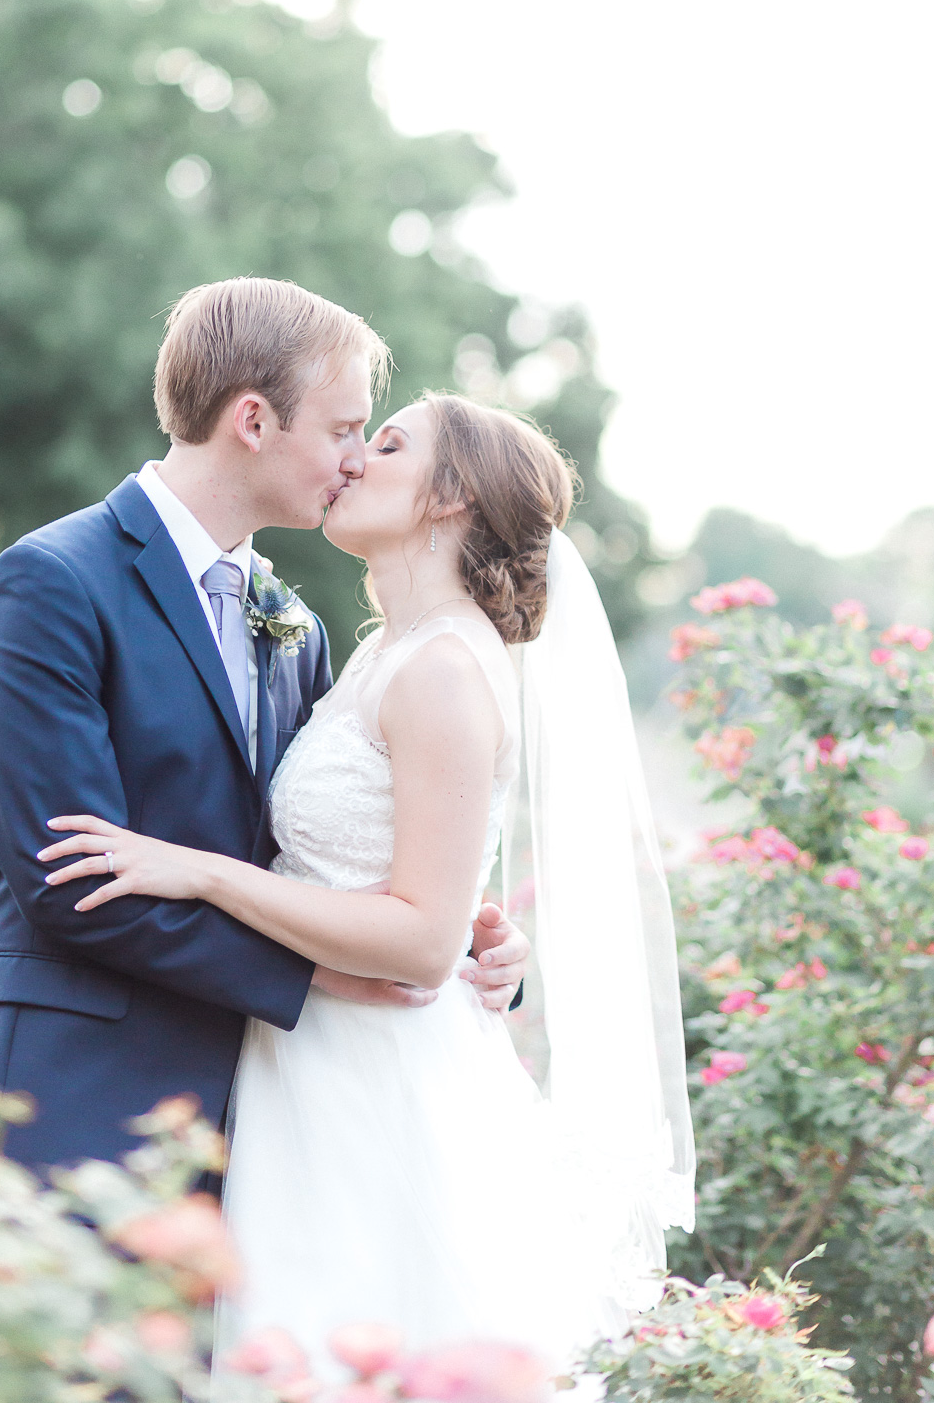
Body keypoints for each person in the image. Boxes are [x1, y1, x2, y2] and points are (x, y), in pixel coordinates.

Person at [40, 390, 695, 1374]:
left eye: (385, 444)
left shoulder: (439, 671)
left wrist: (203, 876)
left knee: (352, 1348)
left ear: (450, 496)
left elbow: (421, 940)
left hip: (377, 1078)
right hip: (310, 1059)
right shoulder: (380, 653)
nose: (353, 460)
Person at [0, 280, 528, 1172]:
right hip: (61, 1096)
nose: (356, 459)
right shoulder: (54, 581)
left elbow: (314, 851)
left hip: (255, 1114)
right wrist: (319, 975)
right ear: (253, 420)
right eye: (342, 429)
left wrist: (469, 945)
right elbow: (68, 880)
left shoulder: (296, 627)